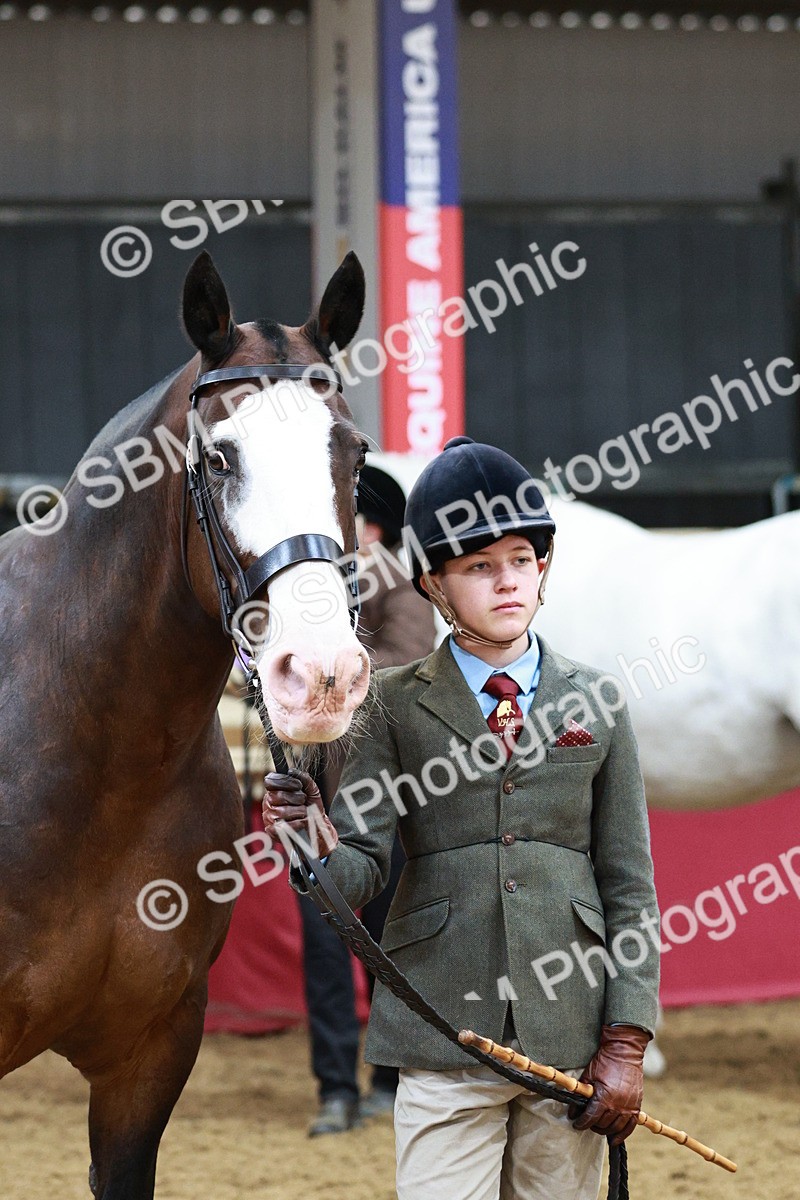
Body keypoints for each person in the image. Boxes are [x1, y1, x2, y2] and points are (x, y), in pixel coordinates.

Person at [263, 437, 660, 1199]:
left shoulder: (599, 701)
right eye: (479, 567)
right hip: (440, 1026)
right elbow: (361, 866)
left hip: (570, 1034)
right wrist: (313, 842)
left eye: (519, 558)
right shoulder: (389, 703)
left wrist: (627, 1040)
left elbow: (630, 887)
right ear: (434, 586)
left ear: (542, 564)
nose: (506, 581)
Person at [297, 464, 436, 1136]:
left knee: (389, 944)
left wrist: (326, 670)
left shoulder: (399, 585)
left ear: (371, 527)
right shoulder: (311, 596)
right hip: (319, 806)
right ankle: (335, 1087)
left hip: (390, 810)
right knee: (325, 955)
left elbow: (407, 668)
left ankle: (385, 1078)